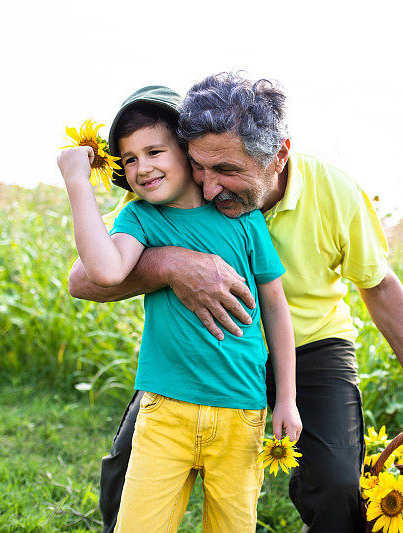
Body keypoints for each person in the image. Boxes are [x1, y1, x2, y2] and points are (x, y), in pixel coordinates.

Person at [68, 73, 403, 533]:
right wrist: (173, 264)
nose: (211, 186)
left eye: (227, 171)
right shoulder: (170, 196)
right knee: (126, 469)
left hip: (310, 345)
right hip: (211, 347)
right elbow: (85, 280)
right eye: (200, 166)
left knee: (337, 484)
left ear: (278, 156)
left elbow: (377, 286)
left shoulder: (336, 194)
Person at [58, 85, 301, 533]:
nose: (142, 167)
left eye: (154, 151)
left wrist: (285, 397)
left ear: (187, 153)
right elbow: (106, 271)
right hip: (164, 410)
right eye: (129, 159)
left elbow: (276, 308)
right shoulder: (139, 219)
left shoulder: (241, 218)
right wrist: (77, 181)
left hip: (241, 412)